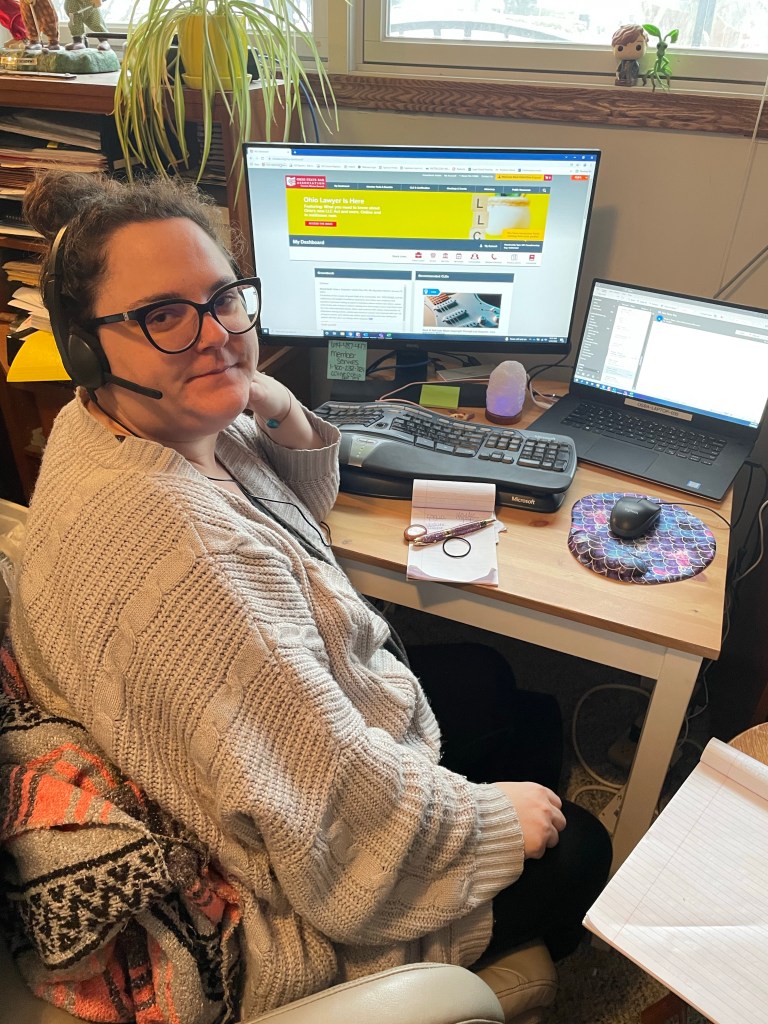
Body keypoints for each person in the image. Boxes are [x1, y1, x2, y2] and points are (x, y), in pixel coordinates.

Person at [10, 170, 611, 1018]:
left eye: (224, 299)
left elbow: (291, 519)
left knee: (499, 684)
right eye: (164, 315)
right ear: (87, 347)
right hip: (276, 893)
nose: (216, 335)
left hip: (289, 728)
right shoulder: (188, 561)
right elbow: (337, 810)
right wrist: (491, 824)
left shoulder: (113, 423)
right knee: (581, 846)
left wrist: (279, 407)